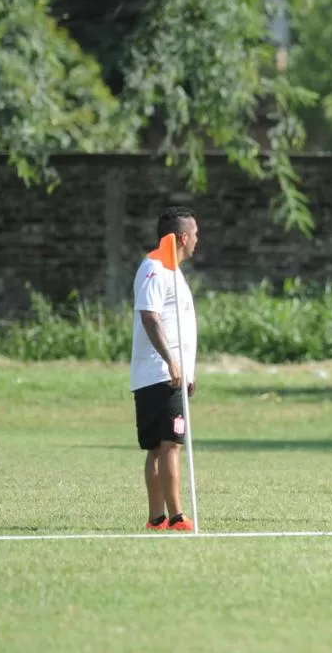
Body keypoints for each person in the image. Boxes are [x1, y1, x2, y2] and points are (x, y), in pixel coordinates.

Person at [130, 206, 200, 532]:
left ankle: (156, 519)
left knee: (160, 446)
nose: (198, 240)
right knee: (170, 444)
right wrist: (172, 362)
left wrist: (190, 371)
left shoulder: (172, 270)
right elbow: (150, 317)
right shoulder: (155, 268)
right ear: (183, 237)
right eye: (196, 234)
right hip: (160, 374)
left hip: (169, 374)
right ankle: (176, 516)